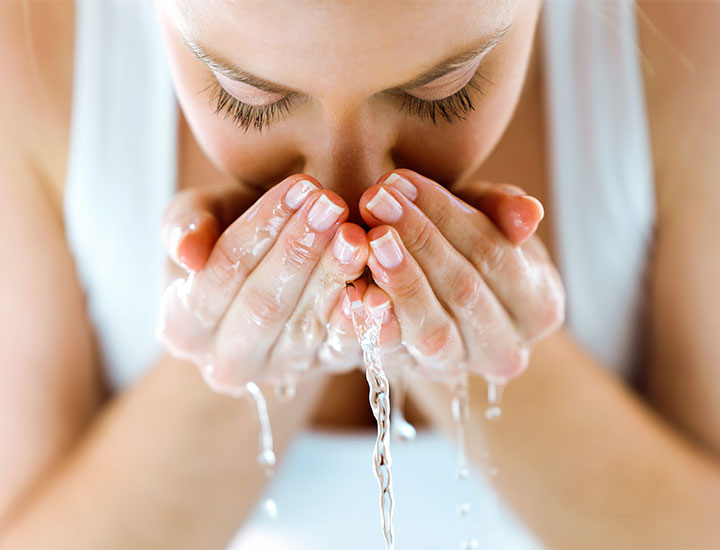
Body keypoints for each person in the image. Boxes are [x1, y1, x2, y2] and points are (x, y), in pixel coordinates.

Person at [1, 0, 719, 548]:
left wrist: (466, 345)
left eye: (448, 91)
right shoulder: (33, 58)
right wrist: (239, 358)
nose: (349, 199)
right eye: (244, 98)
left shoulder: (691, 49)